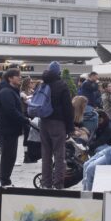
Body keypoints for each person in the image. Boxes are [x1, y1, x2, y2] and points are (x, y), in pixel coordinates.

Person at [39, 61, 73, 189]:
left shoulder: (43, 83)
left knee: (46, 154)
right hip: (58, 123)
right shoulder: (62, 85)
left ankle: (46, 184)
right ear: (59, 72)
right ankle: (58, 184)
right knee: (59, 155)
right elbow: (68, 108)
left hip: (44, 122)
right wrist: (70, 127)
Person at [0, 68, 30, 187]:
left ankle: (6, 180)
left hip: (11, 129)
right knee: (8, 156)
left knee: (11, 156)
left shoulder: (12, 91)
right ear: (10, 78)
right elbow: (10, 110)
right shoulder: (6, 92)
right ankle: (5, 181)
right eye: (17, 76)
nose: (20, 78)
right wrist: (24, 119)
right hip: (7, 129)